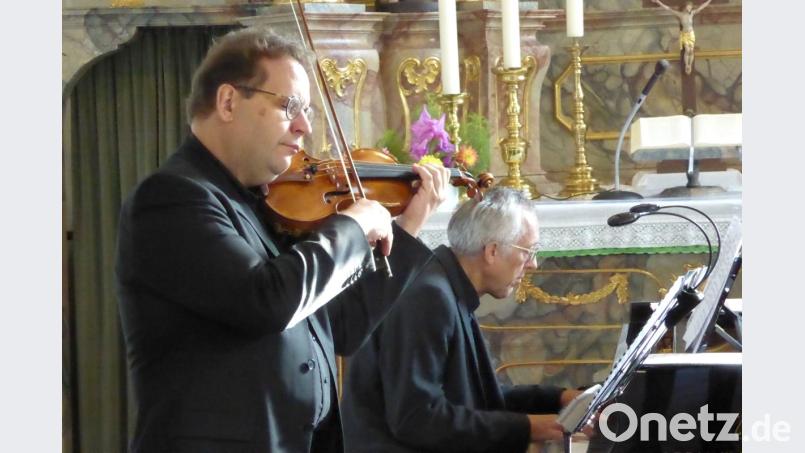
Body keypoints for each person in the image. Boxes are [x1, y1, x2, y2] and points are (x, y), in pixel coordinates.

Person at [115, 28, 450, 453]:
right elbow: (266, 300)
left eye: (308, 110)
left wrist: (406, 229)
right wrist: (351, 225)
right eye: (290, 106)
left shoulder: (269, 204)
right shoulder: (173, 199)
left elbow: (341, 328)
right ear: (229, 101)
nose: (304, 127)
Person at [341, 188, 583, 453]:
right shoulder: (428, 296)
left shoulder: (444, 284)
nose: (533, 264)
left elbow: (475, 395)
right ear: (492, 251)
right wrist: (531, 427)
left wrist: (561, 398)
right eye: (528, 251)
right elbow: (417, 419)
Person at [652, 0, 712, 75]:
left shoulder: (692, 14)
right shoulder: (681, 15)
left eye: (690, 7)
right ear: (685, 7)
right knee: (687, 50)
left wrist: (709, 1)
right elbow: (668, 9)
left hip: (691, 34)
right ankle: (687, 65)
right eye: (688, 6)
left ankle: (690, 65)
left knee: (691, 50)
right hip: (684, 34)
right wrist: (658, 2)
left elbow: (701, 7)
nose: (690, 8)